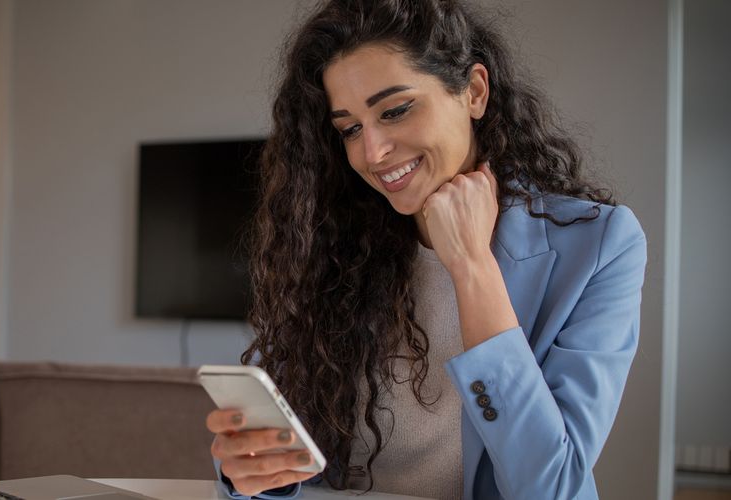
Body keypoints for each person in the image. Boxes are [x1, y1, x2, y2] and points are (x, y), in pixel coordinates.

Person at [204, 0, 648, 499]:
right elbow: (288, 467)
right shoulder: (337, 243)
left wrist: (471, 266)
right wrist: (252, 476)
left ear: (474, 91)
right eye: (349, 128)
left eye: (395, 110)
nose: (372, 153)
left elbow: (552, 489)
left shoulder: (598, 245)